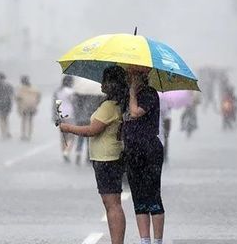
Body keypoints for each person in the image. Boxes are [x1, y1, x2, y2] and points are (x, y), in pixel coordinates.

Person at [59, 66, 128, 244]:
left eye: (105, 80)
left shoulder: (108, 106)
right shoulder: (117, 104)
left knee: (112, 204)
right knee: (112, 203)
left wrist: (68, 128)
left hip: (107, 158)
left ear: (112, 84)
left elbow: (92, 130)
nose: (102, 84)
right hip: (110, 157)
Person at [123, 65, 165, 244]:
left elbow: (135, 113)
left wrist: (132, 93)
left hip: (149, 149)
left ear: (141, 77)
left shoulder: (149, 94)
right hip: (132, 151)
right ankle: (144, 240)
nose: (129, 79)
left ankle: (157, 240)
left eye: (132, 76)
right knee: (138, 198)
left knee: (153, 196)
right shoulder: (126, 96)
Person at [53, 75, 76, 162]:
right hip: (70, 115)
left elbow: (56, 105)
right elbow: (75, 104)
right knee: (72, 136)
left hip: (60, 115)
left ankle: (63, 152)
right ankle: (67, 151)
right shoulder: (72, 92)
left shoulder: (58, 91)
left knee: (63, 136)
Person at [15, 75, 42, 141]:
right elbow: (39, 96)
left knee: (24, 121)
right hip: (32, 106)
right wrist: (36, 103)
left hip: (24, 107)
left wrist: (19, 107)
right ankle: (29, 134)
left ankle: (23, 134)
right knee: (30, 121)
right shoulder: (34, 88)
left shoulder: (20, 89)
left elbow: (17, 99)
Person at [0, 72, 14, 139]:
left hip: (2, 104)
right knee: (5, 119)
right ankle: (6, 132)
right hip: (7, 104)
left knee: (2, 119)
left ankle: (4, 132)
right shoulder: (9, 86)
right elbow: (11, 94)